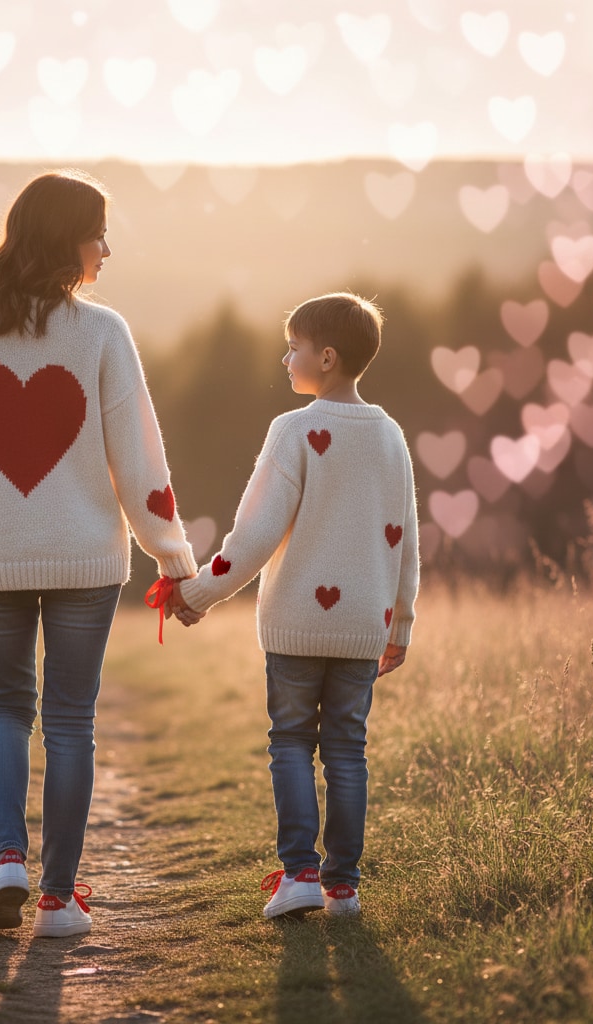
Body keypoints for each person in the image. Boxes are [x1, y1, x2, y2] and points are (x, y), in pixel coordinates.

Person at [0, 169, 197, 939]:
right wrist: (175, 560)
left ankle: (5, 857)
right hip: (85, 562)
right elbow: (141, 461)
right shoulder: (103, 331)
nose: (106, 249)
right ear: (65, 238)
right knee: (71, 720)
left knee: (4, 707)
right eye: (97, 232)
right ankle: (58, 898)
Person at [167, 291, 419, 920]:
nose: (285, 358)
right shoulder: (390, 436)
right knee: (347, 749)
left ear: (326, 357)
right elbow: (405, 538)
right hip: (365, 622)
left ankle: (300, 873)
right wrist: (401, 622)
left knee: (290, 743)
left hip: (296, 626)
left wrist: (196, 592)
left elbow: (253, 536)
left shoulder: (294, 431)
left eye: (295, 347)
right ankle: (344, 887)